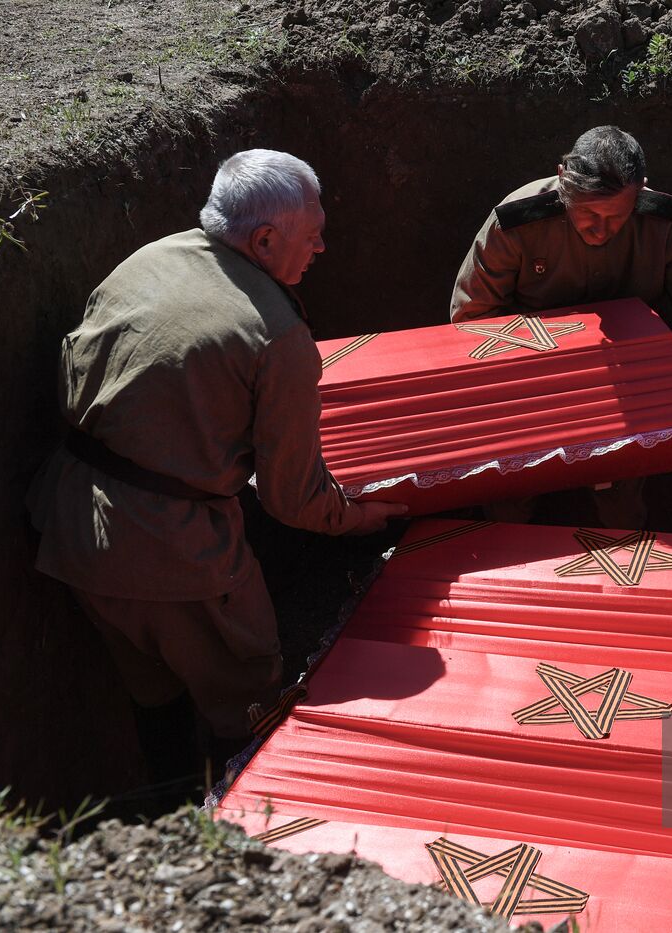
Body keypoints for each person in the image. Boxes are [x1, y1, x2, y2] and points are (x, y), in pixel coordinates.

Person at [26, 149, 406, 780]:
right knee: (251, 697)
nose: (321, 249)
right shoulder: (275, 334)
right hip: (174, 554)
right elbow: (290, 499)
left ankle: (166, 810)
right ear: (263, 239)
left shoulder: (151, 259)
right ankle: (234, 832)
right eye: (312, 236)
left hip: (70, 524)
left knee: (149, 685)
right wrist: (363, 520)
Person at [449, 125, 672, 528]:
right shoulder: (517, 221)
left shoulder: (665, 224)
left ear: (640, 194)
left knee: (621, 502)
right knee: (508, 497)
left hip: (628, 386)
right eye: (587, 214)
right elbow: (470, 322)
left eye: (616, 217)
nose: (600, 231)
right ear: (562, 183)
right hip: (529, 384)